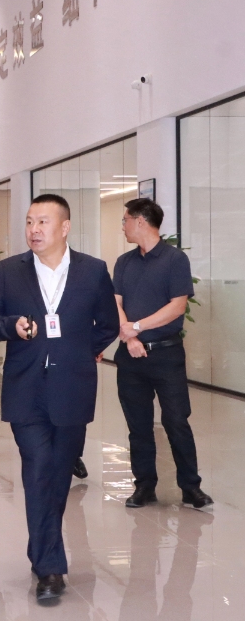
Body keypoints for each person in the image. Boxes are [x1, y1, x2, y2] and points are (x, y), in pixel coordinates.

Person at [0, 194, 119, 602]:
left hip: (73, 389)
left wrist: (79, 351)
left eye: (42, 222)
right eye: (29, 222)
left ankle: (43, 548)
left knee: (57, 475)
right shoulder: (8, 271)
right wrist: (12, 326)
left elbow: (108, 324)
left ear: (64, 227)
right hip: (26, 390)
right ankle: (50, 568)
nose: (33, 230)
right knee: (38, 470)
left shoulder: (93, 270)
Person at [114, 198, 212, 509]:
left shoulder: (174, 260)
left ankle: (191, 487)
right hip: (130, 357)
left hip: (166, 356)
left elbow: (177, 306)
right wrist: (130, 337)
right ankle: (144, 486)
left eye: (126, 220)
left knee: (176, 421)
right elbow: (116, 303)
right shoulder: (124, 262)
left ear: (140, 221)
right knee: (138, 425)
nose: (123, 226)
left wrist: (136, 327)